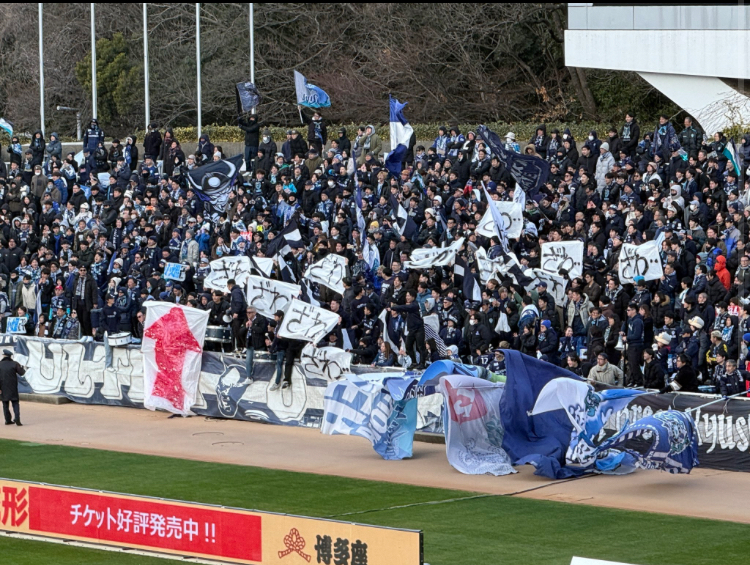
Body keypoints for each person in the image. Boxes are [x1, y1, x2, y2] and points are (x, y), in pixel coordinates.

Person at [0, 349, 25, 426]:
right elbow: (22, 373)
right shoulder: (15, 364)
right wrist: (22, 367)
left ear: (4, 356)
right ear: (10, 356)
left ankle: (8, 420)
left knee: (5, 404)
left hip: (3, 387)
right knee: (15, 403)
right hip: (13, 387)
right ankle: (17, 418)